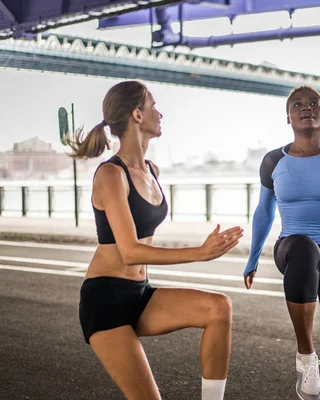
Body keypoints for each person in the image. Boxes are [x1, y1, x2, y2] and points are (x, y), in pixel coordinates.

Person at [66, 80, 243, 400]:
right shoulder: (110, 174)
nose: (160, 114)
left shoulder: (152, 170)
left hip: (140, 292)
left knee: (218, 308)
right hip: (105, 301)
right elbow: (130, 251)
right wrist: (201, 253)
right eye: (153, 106)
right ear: (137, 114)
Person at [242, 85, 320, 400]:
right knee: (305, 247)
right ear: (288, 117)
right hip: (292, 248)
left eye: (313, 103)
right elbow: (264, 212)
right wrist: (252, 258)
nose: (305, 107)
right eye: (297, 104)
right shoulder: (273, 161)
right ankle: (306, 357)